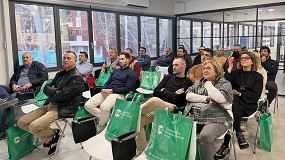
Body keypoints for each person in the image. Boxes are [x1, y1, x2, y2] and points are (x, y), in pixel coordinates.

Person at [17, 51, 84, 155]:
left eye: (69, 58)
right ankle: (52, 137)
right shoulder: (59, 74)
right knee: (22, 122)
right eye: (64, 58)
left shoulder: (77, 77)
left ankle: (51, 136)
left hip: (64, 107)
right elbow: (45, 89)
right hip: (50, 104)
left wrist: (54, 91)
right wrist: (55, 91)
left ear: (75, 61)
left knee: (33, 127)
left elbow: (62, 95)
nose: (65, 60)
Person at [136, 58, 192, 154]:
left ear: (184, 66)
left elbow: (177, 99)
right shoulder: (168, 78)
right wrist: (170, 93)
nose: (173, 67)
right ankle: (142, 151)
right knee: (138, 121)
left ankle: (134, 111)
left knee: (154, 100)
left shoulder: (187, 82)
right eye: (173, 65)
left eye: (176, 65)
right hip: (159, 106)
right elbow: (155, 92)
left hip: (172, 108)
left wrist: (164, 90)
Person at [184, 60, 233, 160]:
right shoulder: (199, 82)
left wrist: (208, 84)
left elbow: (221, 98)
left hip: (220, 117)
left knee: (206, 136)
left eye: (209, 68)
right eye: (204, 68)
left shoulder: (224, 83)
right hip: (198, 116)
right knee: (181, 130)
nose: (205, 70)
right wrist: (206, 99)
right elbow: (188, 96)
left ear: (217, 71)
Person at [84, 52, 137, 133]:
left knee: (104, 107)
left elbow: (127, 89)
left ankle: (101, 124)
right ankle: (108, 119)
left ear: (128, 60)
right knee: (88, 105)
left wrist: (111, 91)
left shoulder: (131, 74)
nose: (120, 61)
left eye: (122, 59)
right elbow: (108, 82)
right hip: (107, 91)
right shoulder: (116, 71)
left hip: (119, 94)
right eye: (119, 59)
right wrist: (103, 89)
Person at [0, 52, 48, 140]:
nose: (25, 59)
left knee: (6, 106)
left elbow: (44, 78)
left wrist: (31, 83)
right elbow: (13, 79)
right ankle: (9, 98)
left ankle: (2, 131)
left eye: (27, 57)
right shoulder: (20, 68)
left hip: (27, 91)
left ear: (32, 58)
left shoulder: (38, 66)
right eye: (23, 57)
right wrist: (13, 84)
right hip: (16, 89)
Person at [222, 51, 263, 150]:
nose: (243, 60)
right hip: (234, 103)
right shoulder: (236, 73)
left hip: (248, 104)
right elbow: (226, 82)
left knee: (231, 110)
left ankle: (225, 144)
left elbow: (256, 95)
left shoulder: (258, 76)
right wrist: (230, 66)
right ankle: (239, 134)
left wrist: (240, 93)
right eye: (242, 58)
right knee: (233, 100)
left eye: (246, 58)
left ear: (252, 61)